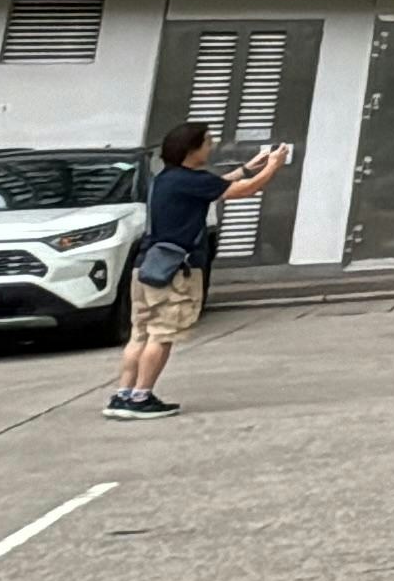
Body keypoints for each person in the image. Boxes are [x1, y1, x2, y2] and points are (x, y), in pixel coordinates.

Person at [106, 125, 287, 421]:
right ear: (191, 149)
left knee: (140, 334)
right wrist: (273, 167)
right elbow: (246, 190)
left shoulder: (165, 179)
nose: (211, 146)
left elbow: (216, 186)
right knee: (161, 335)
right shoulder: (192, 180)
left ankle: (122, 395)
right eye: (207, 142)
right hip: (175, 271)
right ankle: (142, 396)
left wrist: (247, 168)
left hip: (147, 267)